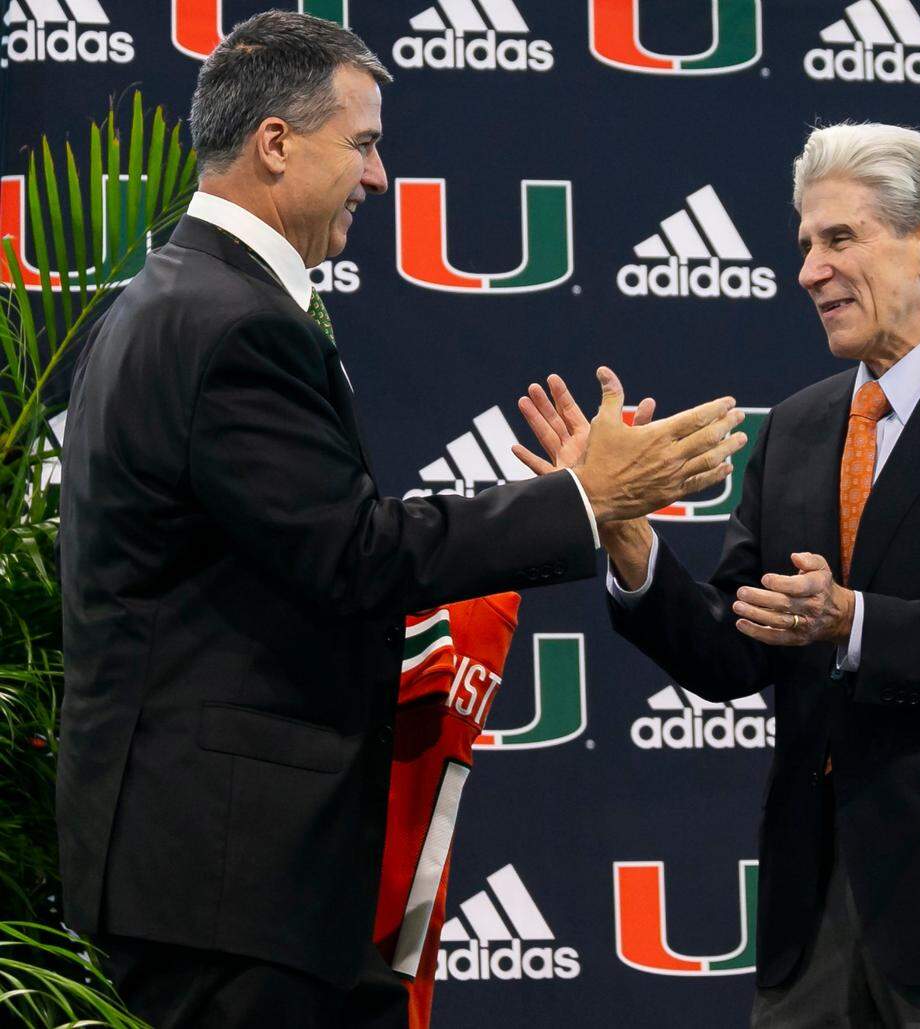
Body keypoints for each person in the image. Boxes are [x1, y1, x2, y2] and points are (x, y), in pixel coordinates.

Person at [55, 11, 746, 1028]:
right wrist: (584, 500)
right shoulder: (234, 323)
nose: (380, 178)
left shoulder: (171, 300)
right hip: (228, 882)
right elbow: (354, 554)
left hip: (213, 870)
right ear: (277, 143)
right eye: (365, 143)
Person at [514, 123, 920, 1027]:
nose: (808, 271)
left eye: (839, 238)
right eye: (805, 244)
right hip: (815, 909)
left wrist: (856, 621)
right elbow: (734, 651)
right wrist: (632, 546)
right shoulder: (800, 426)